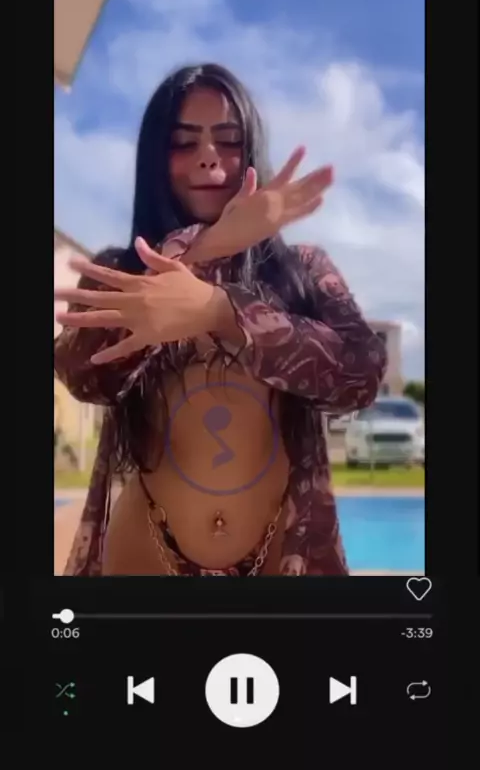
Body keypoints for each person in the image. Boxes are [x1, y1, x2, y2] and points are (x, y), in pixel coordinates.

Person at [54, 62, 387, 577]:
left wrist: (220, 311)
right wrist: (206, 248)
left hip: (279, 557)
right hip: (145, 553)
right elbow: (82, 374)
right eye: (183, 142)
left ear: (250, 150)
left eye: (228, 140)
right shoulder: (121, 271)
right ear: (155, 159)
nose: (208, 156)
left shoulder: (302, 272)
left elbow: (359, 376)